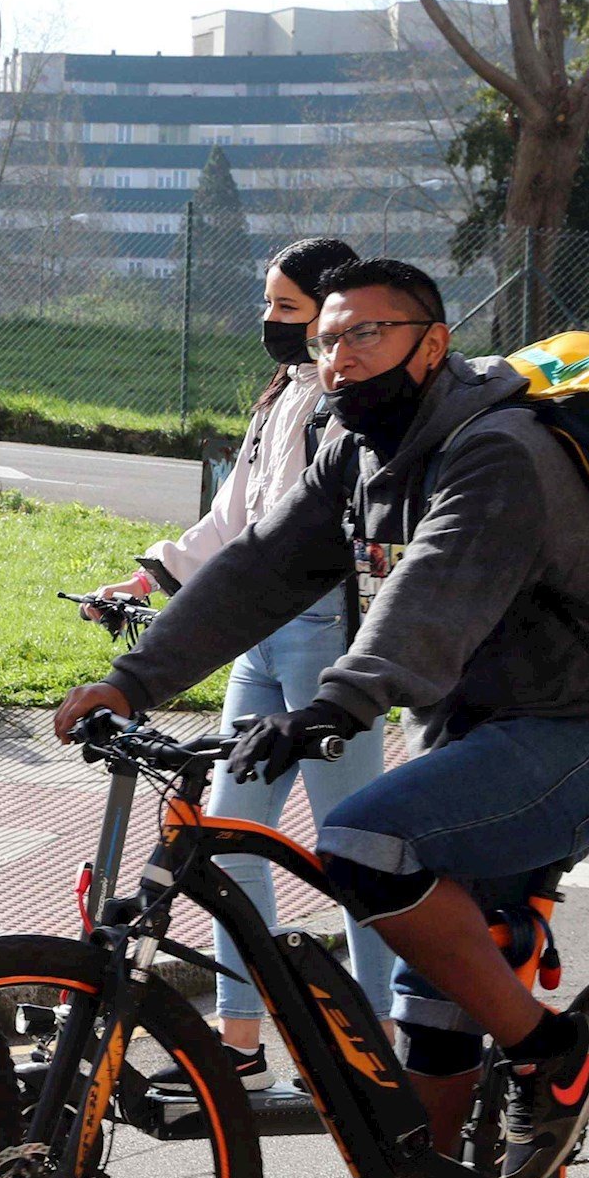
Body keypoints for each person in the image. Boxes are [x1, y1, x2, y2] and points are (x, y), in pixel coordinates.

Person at [54, 257, 589, 1178]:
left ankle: (559, 1054)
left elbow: (429, 595)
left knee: (364, 836)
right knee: (429, 1008)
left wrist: (340, 700)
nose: (335, 358)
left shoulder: (497, 450)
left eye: (363, 337)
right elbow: (256, 566)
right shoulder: (350, 444)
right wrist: (133, 678)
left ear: (430, 343)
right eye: (325, 340)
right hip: (482, 733)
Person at [89, 236, 392, 1094]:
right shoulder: (282, 397)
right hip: (258, 639)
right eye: (266, 305)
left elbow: (295, 538)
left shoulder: (342, 409)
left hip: (321, 633)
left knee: (355, 849)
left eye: (287, 309)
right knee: (226, 845)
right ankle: (243, 1046)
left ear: (333, 315)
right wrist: (150, 573)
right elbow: (235, 522)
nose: (269, 321)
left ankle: (377, 1053)